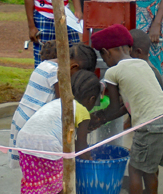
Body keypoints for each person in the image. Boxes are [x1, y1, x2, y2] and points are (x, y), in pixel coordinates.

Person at [90, 24, 163, 194]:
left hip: (151, 125)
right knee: (150, 170)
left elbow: (113, 108)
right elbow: (132, 103)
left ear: (105, 52)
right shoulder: (144, 65)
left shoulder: (113, 72)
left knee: (134, 170)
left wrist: (98, 118)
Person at [16, 70, 100, 194]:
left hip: (24, 142)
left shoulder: (58, 102)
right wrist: (91, 162)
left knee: (42, 182)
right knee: (58, 187)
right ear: (91, 100)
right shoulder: (82, 111)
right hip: (48, 145)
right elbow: (81, 145)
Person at [9, 42, 97, 170]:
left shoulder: (46, 64)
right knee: (46, 170)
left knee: (32, 172)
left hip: (23, 120)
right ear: (74, 67)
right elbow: (64, 106)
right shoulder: (57, 73)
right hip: (35, 126)